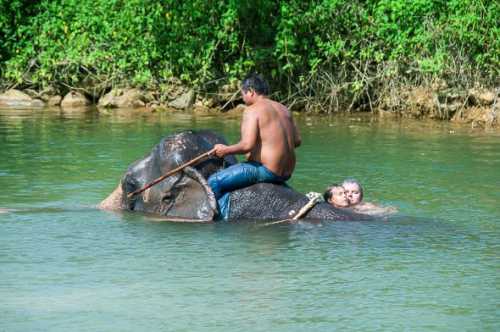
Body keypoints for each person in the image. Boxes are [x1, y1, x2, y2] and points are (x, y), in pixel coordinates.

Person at [208, 74, 301, 220]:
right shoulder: (284, 109)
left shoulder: (253, 110)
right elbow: (297, 141)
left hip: (268, 171)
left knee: (214, 181)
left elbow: (247, 145)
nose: (243, 98)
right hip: (287, 173)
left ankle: (221, 222)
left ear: (250, 91)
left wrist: (224, 150)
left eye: (243, 94)